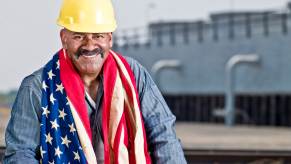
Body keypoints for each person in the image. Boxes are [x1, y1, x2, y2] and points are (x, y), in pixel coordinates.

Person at [4, 0, 186, 163]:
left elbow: (163, 135)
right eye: (78, 36)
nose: (89, 46)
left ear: (110, 39)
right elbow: (20, 153)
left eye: (98, 36)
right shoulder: (36, 87)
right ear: (64, 39)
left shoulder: (134, 75)